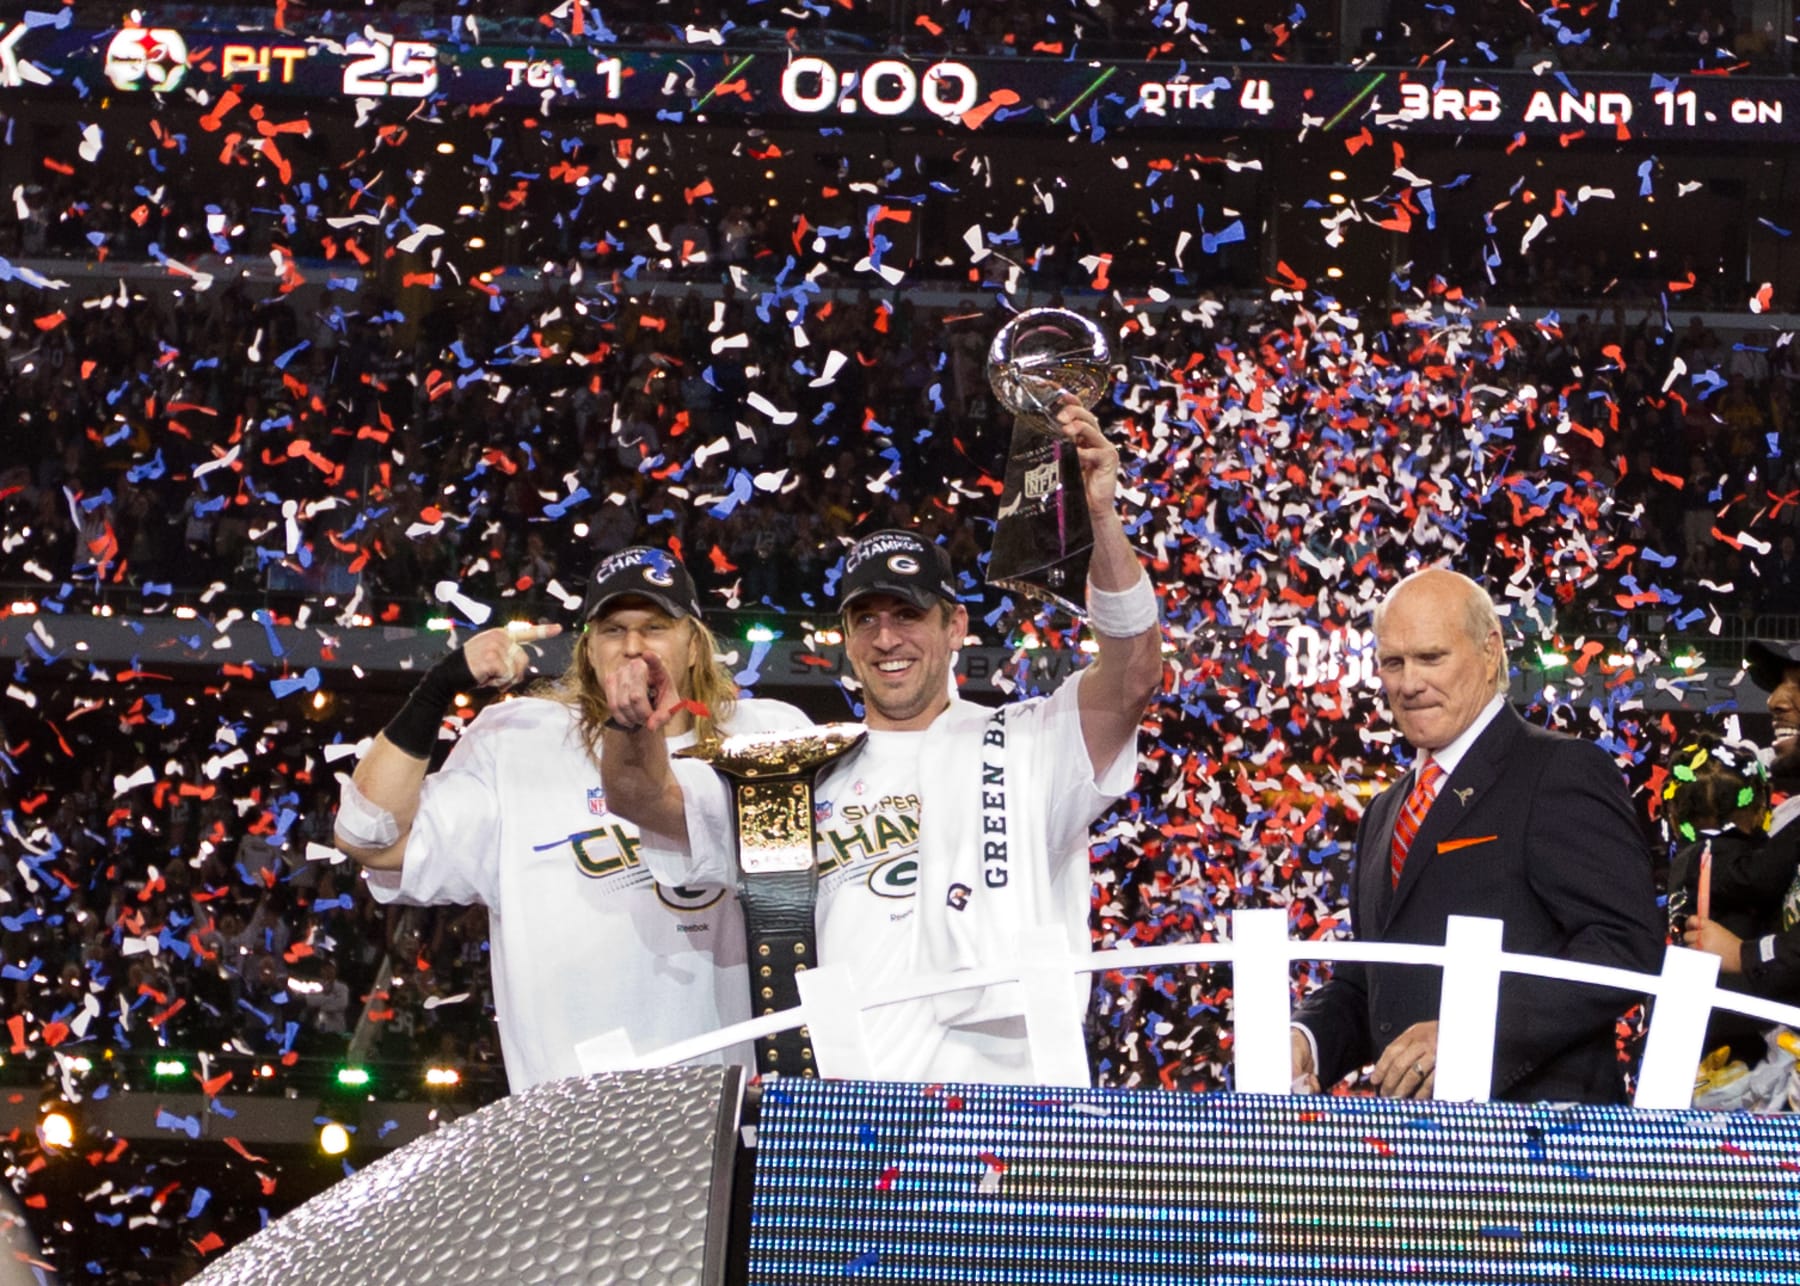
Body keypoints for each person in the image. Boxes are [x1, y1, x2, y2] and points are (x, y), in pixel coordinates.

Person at [599, 400, 1165, 1083]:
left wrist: (1101, 517)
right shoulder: (794, 775)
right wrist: (627, 725)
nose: (887, 638)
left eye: (907, 614)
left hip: (1011, 1124)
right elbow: (641, 797)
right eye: (865, 619)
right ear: (845, 641)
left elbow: (1133, 674)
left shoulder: (1027, 745)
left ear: (956, 626)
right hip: (853, 1131)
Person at [332, 546, 809, 1091]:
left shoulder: (763, 737)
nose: (633, 647)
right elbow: (369, 836)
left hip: (730, 1116)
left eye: (654, 626)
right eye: (612, 630)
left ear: (695, 645)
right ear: (587, 650)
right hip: (570, 1124)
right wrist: (442, 682)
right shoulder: (522, 741)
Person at [1290, 567, 1663, 1104]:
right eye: (1393, 663)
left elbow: (1625, 946)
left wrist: (1469, 1033)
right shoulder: (1383, 811)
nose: (1409, 683)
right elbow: (1367, 980)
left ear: (1491, 652)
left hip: (1539, 1146)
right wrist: (1305, 1040)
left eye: (1431, 657)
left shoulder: (1557, 770)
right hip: (1415, 1150)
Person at [1681, 639, 1800, 998]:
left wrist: (1744, 955)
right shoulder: (1789, 815)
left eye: (1798, 688)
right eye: (1781, 684)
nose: (1776, 701)